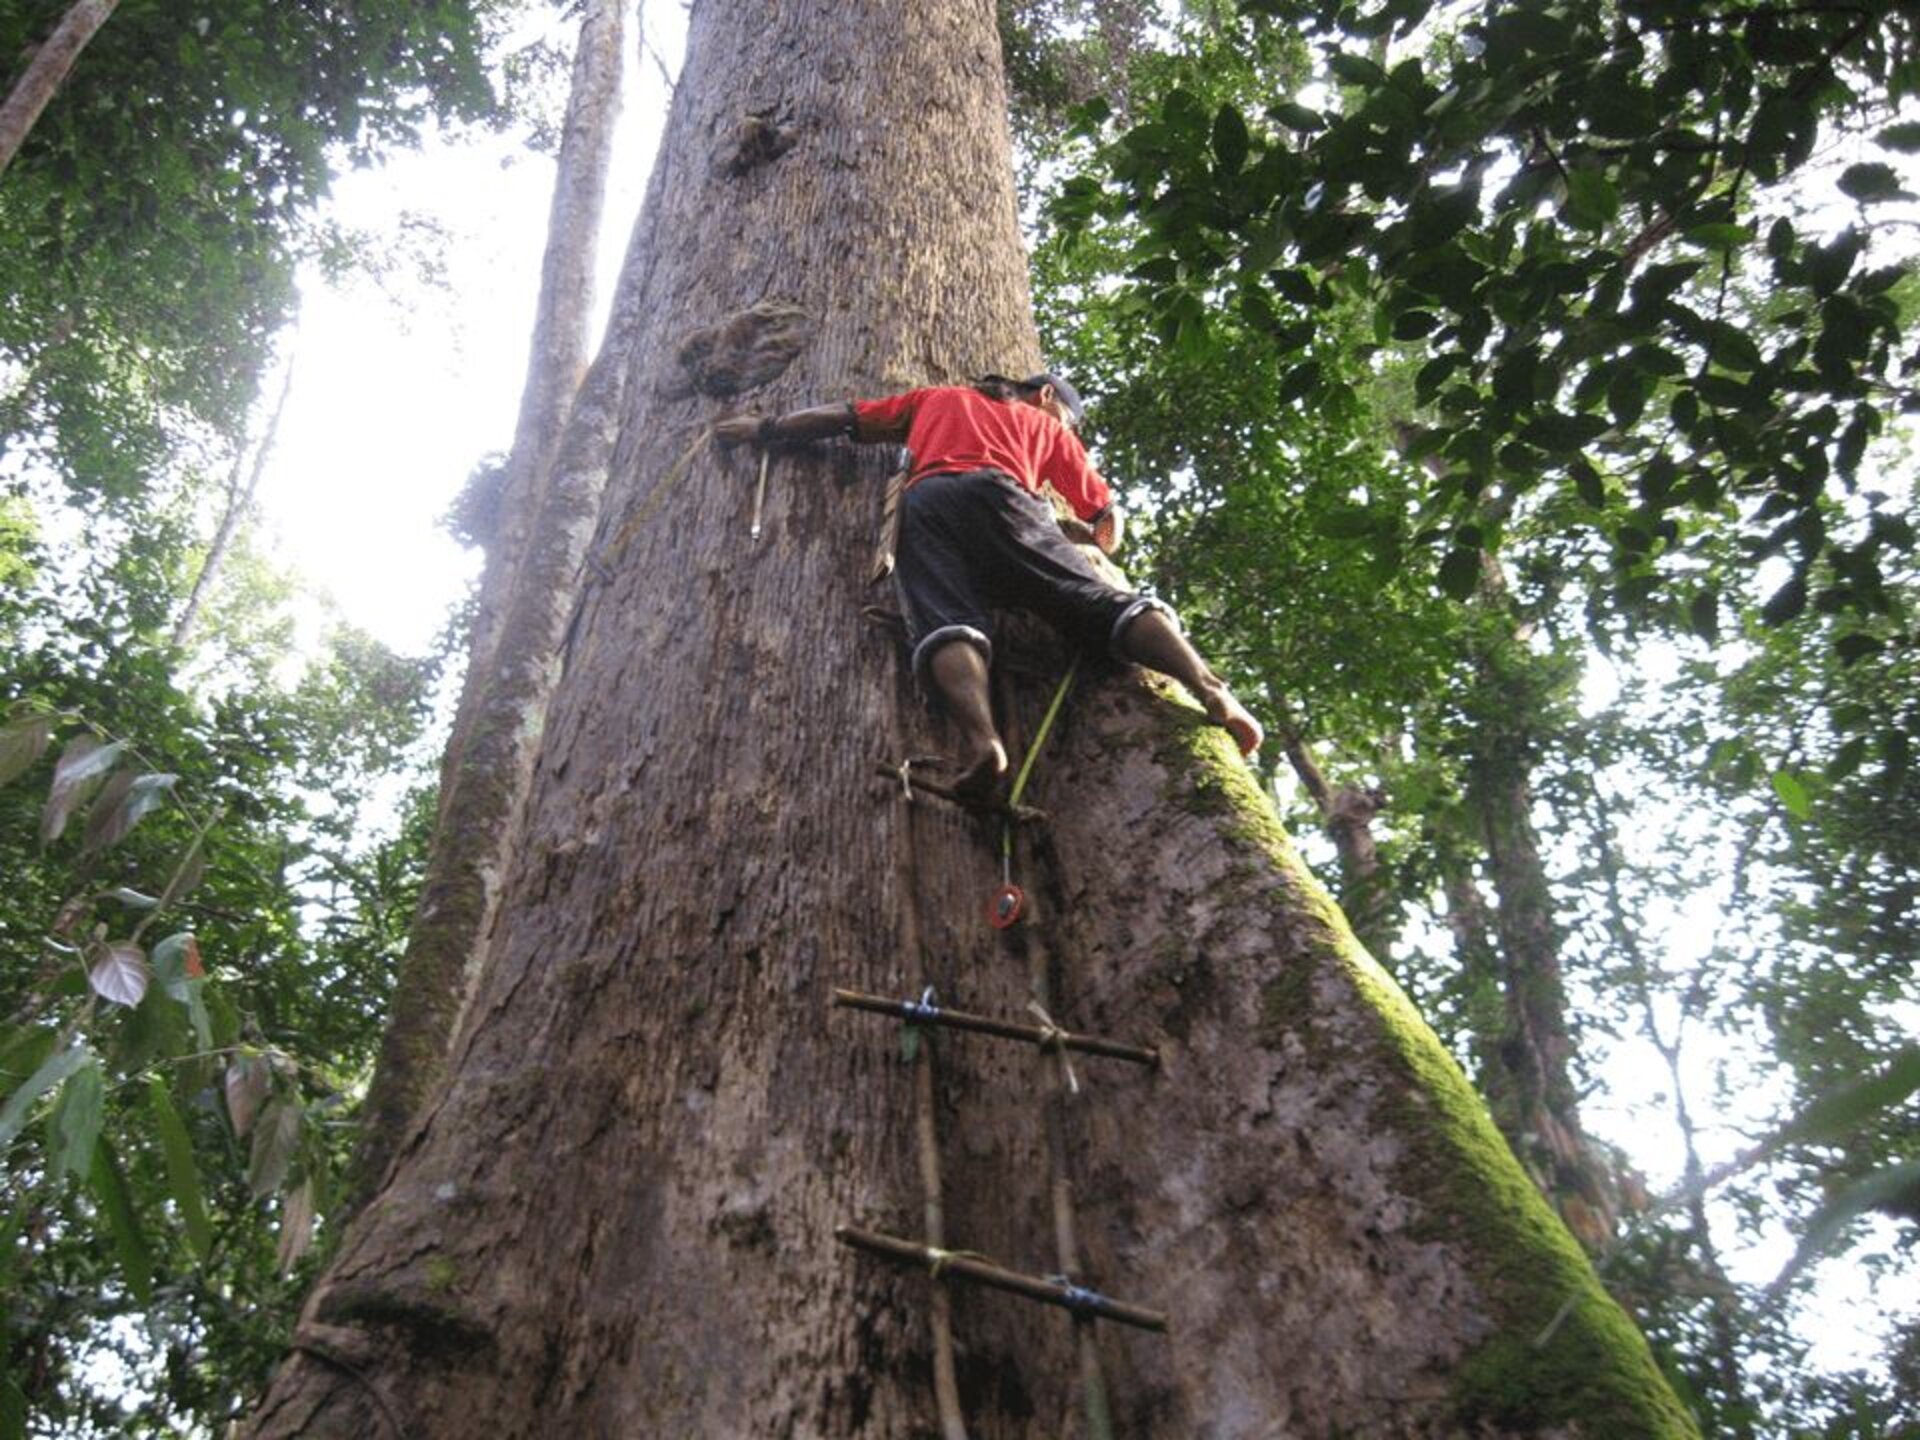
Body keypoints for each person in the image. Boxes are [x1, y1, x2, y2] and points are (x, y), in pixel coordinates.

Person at [715, 373, 1262, 800]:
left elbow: (843, 417)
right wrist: (1084, 535)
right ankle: (1212, 689)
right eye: (1067, 418)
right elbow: (1105, 520)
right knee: (1099, 601)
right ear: (1047, 395)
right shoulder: (1047, 428)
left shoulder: (937, 399)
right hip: (1008, 500)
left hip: (927, 502)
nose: (1066, 427)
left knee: (945, 620)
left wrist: (764, 429)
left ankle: (983, 744)